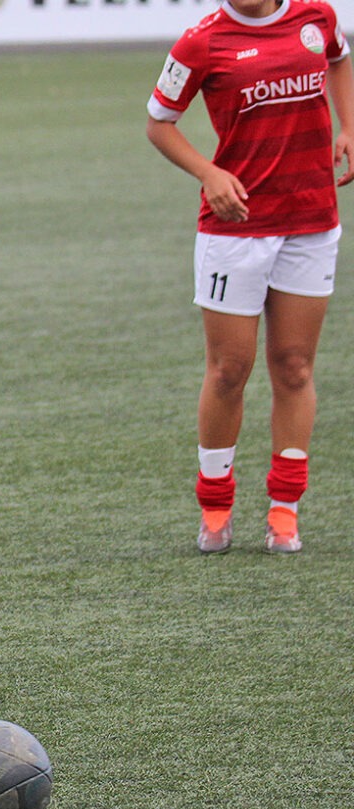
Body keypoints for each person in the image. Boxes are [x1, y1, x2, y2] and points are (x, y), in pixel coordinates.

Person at [146, 0, 353, 553]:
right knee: (228, 372)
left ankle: (285, 510)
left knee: (294, 366)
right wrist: (209, 171)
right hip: (235, 231)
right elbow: (159, 124)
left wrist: (348, 127)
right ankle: (215, 506)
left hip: (311, 221)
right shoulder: (202, 42)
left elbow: (340, 59)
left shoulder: (317, 17)